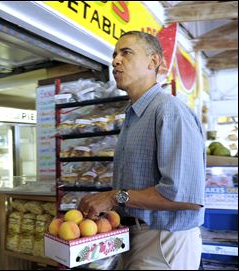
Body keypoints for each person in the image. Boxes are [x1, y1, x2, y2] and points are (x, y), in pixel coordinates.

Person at [78, 31, 206, 270]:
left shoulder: (169, 111)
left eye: (126, 53)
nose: (115, 60)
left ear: (153, 61)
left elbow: (186, 197)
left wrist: (114, 196)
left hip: (164, 240)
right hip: (134, 235)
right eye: (114, 55)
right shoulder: (134, 115)